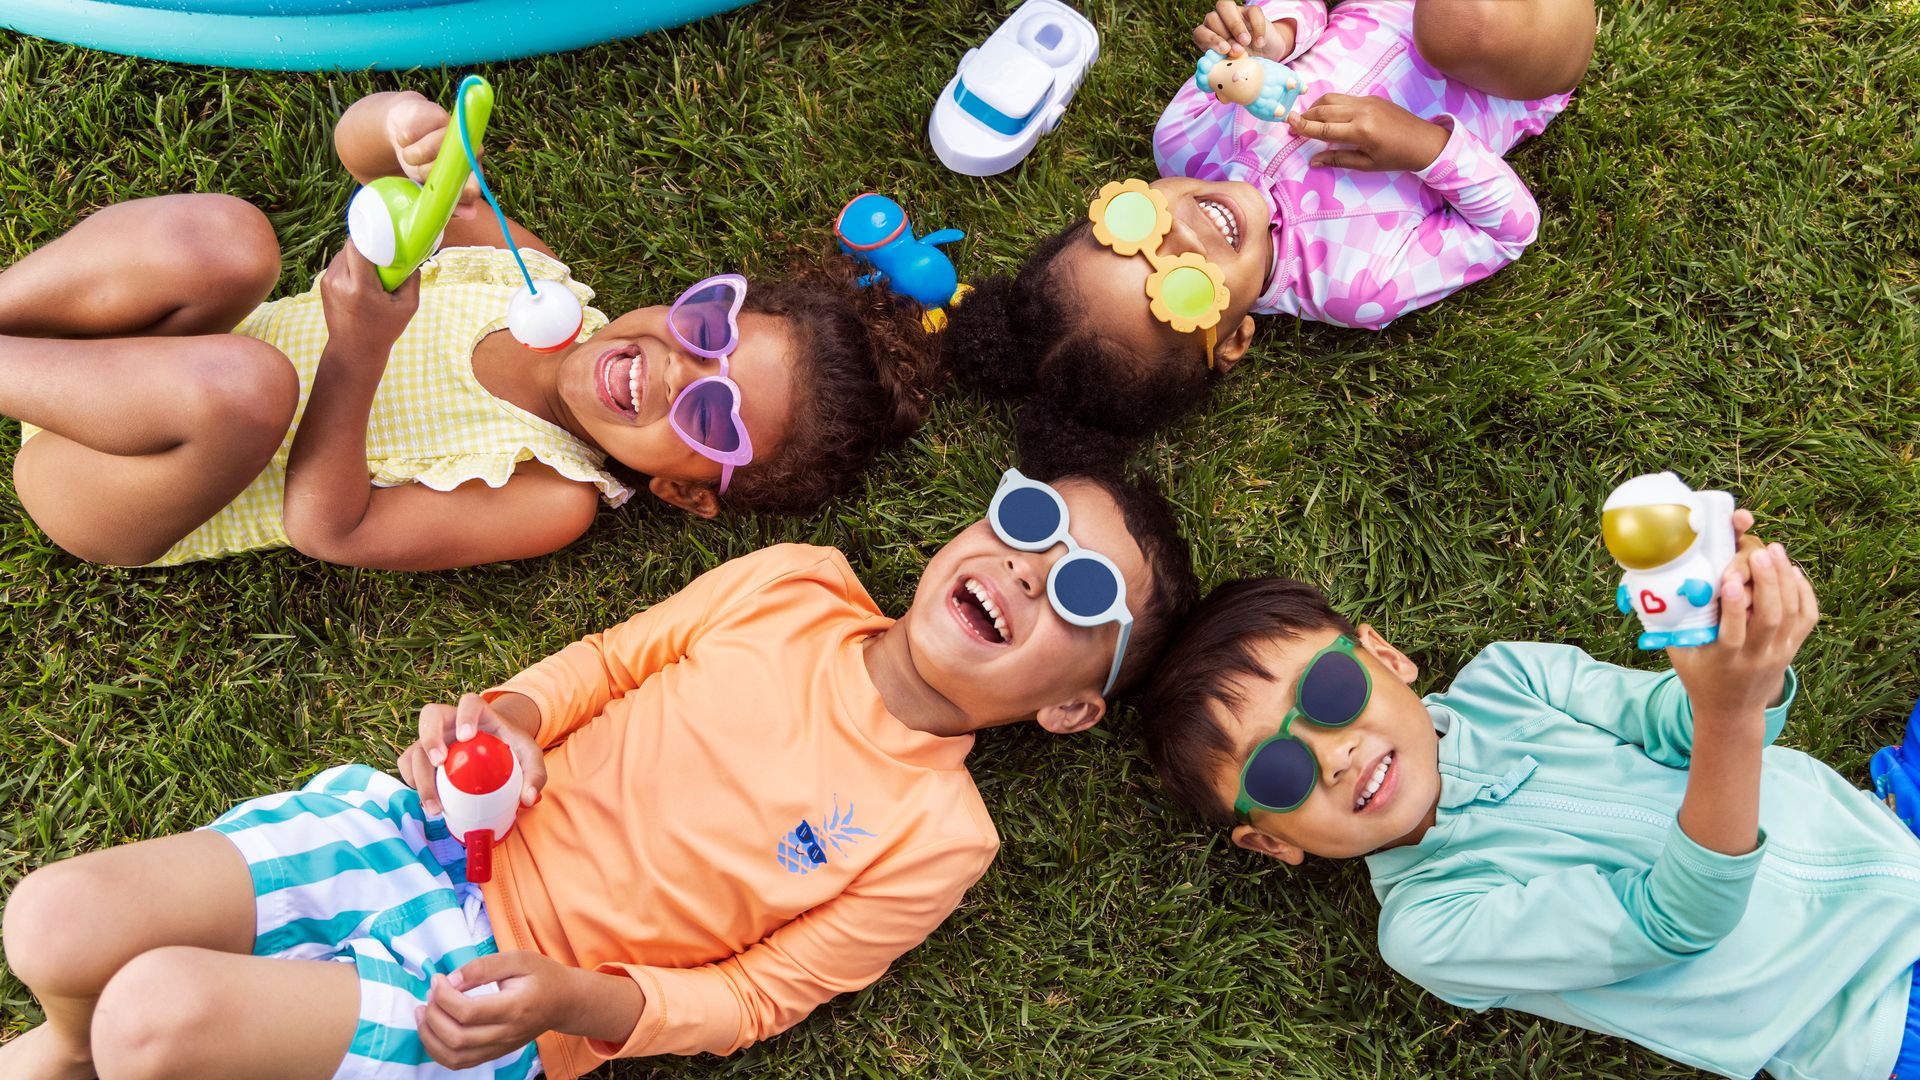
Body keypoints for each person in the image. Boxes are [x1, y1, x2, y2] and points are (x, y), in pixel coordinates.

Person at [0, 466, 1199, 1080]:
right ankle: (64, 1048)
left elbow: (757, 1002)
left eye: (1083, 595)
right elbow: (608, 664)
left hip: (497, 999)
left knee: (159, 1018)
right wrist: (510, 720)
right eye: (1030, 522)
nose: (1034, 571)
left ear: (1070, 706)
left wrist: (574, 1006)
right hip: (417, 835)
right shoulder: (796, 583)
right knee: (54, 923)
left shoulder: (942, 834)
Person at [0, 88, 941, 569]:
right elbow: (365, 156)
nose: (670, 370)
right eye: (706, 325)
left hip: (115, 488)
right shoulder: (526, 276)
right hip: (125, 356)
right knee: (230, 241)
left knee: (250, 385)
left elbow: (330, 528)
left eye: (710, 416)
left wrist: (358, 353)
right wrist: (405, 129)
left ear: (685, 491)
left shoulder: (553, 494)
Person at [1134, 517, 1920, 1078]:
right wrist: (1732, 714)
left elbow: (1680, 724)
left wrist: (1727, 636)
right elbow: (1674, 920)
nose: (1331, 754)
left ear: (1384, 655)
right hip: (1870, 1020)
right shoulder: (1430, 926)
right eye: (1277, 773)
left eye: (1329, 690)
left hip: (1890, 821)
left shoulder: (1513, 678)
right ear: (1271, 841)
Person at [946, 0, 1594, 469]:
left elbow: (1311, 16)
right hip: (1503, 63)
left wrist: (1272, 34)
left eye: (1134, 228)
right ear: (1234, 339)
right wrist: (1424, 145)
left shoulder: (1184, 137)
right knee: (1463, 26)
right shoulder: (1352, 285)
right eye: (1183, 292)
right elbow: (1510, 228)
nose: (1185, 238)